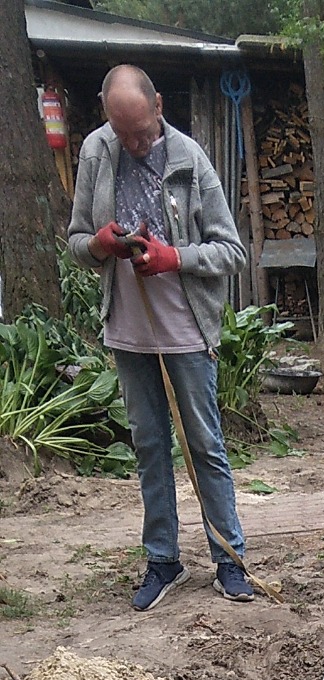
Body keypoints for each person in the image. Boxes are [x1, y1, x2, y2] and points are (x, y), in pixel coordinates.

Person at [67, 65, 254, 611]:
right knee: (150, 448)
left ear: (159, 106)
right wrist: (102, 244)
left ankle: (230, 560)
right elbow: (78, 242)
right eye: (123, 134)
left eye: (142, 132)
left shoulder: (189, 159)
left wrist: (175, 258)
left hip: (185, 328)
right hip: (128, 329)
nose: (134, 144)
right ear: (108, 117)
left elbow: (232, 252)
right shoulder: (97, 154)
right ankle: (163, 561)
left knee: (205, 447)